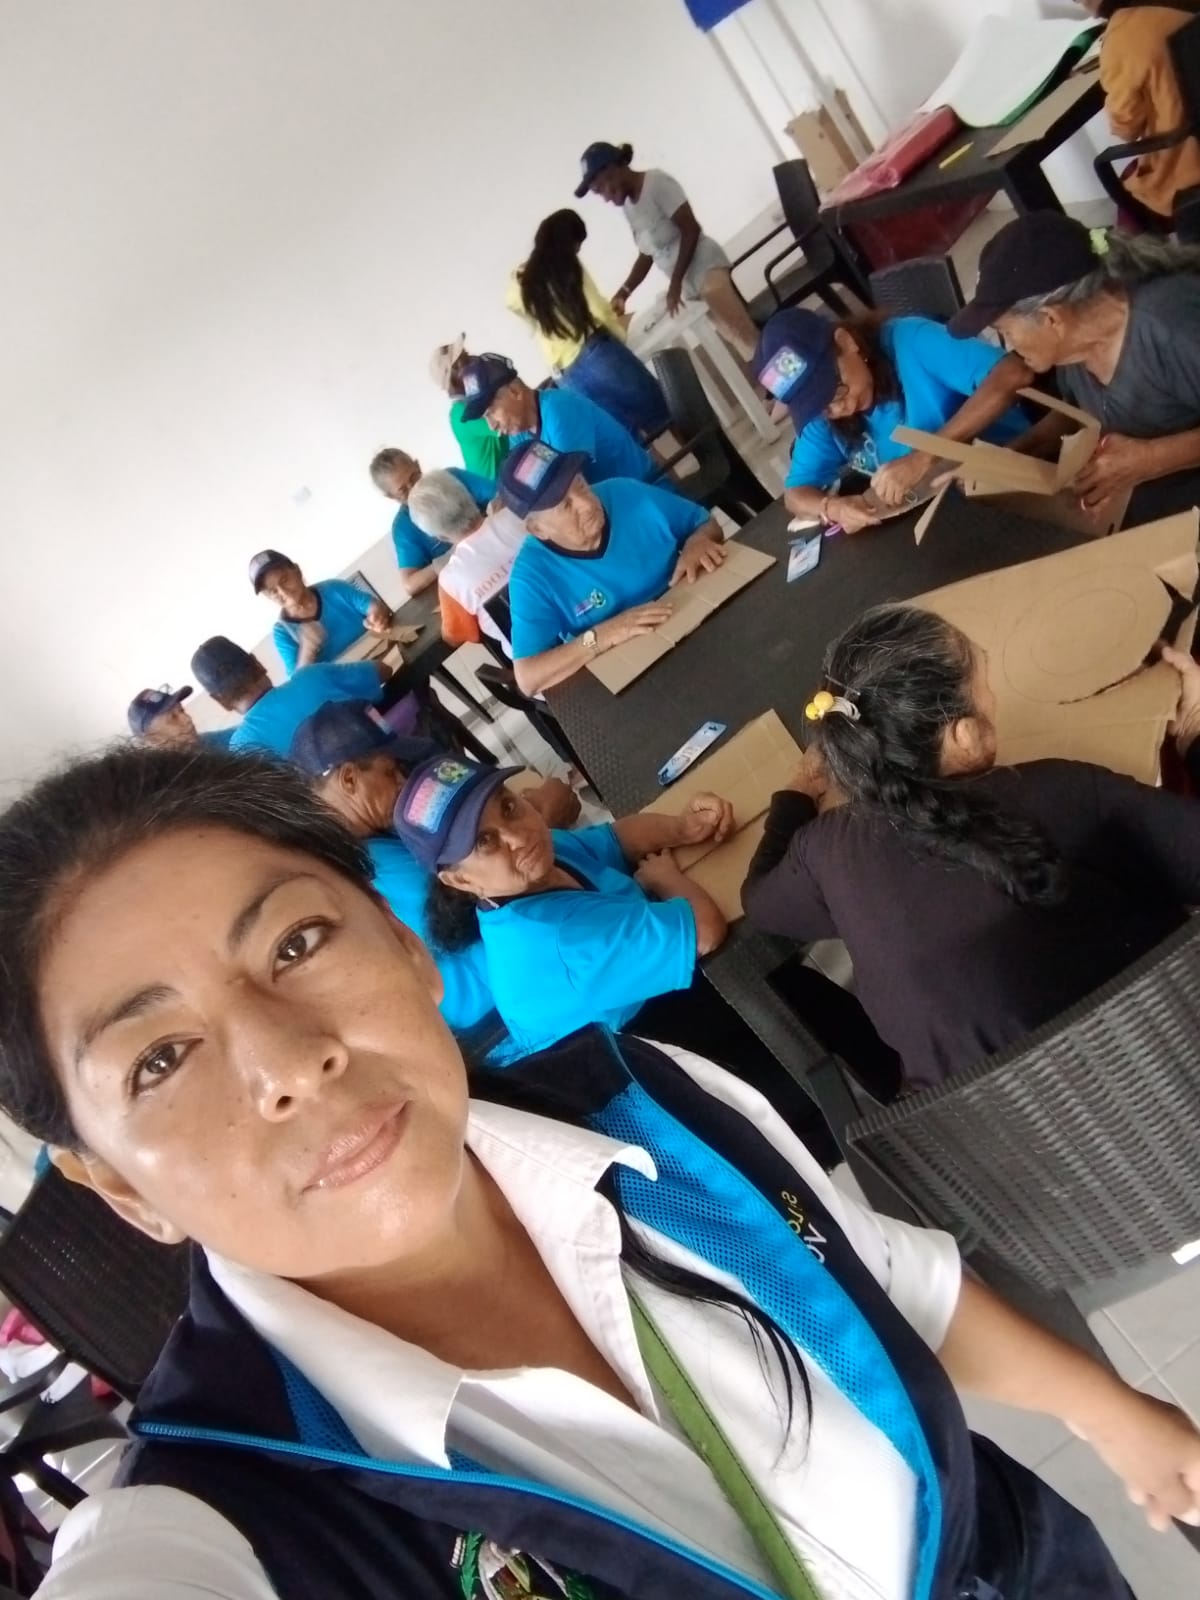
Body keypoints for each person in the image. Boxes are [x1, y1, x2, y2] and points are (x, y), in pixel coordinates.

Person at [7, 743, 1198, 1600]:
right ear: (121, 1186)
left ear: (408, 949)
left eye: (298, 941)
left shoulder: (650, 1104)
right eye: (159, 1057)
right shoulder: (234, 1518)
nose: (288, 1062)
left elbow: (870, 1278)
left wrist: (1110, 1413)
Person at [741, 603, 1200, 1091]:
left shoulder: (826, 853)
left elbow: (759, 900)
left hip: (1012, 1132)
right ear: (962, 735)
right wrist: (1193, 733)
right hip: (1167, 1066)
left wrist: (797, 789)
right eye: (984, 687)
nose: (994, 699)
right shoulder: (1064, 794)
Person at [397, 751, 732, 1059]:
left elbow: (618, 838)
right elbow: (706, 932)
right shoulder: (559, 941)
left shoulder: (536, 861)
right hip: (670, 1035)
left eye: (508, 808)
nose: (518, 837)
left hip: (652, 969)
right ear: (461, 881)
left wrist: (681, 828)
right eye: (485, 841)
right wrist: (665, 878)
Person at [291, 700, 578, 1050]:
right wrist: (542, 821)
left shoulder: (355, 844)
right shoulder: (371, 868)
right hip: (509, 1014)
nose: (402, 781)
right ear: (349, 779)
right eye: (389, 772)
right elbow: (488, 904)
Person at [950, 211, 1200, 522]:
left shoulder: (1174, 327)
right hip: (1152, 508)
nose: (1010, 345)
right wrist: (1016, 454)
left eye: (1006, 332)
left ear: (1051, 319)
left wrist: (1150, 458)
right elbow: (1081, 412)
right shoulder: (1074, 348)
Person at [756, 306, 1033, 534]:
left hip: (1012, 477)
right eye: (822, 406)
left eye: (837, 389)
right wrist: (832, 508)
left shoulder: (912, 341)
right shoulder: (823, 414)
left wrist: (923, 457)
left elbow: (1013, 374)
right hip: (941, 513)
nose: (839, 407)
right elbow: (795, 494)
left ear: (846, 341)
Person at [496, 440, 725, 697]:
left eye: (580, 485)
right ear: (538, 529)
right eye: (566, 505)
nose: (586, 504)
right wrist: (604, 635)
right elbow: (528, 678)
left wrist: (697, 542)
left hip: (694, 614)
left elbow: (704, 522)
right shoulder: (530, 577)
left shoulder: (625, 492)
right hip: (632, 675)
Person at [575, 140, 761, 362]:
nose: (605, 198)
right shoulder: (629, 207)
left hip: (706, 269)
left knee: (745, 334)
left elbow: (690, 229)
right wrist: (624, 293)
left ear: (614, 170)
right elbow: (647, 253)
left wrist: (675, 283)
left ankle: (785, 375)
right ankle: (772, 377)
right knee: (735, 338)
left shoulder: (656, 183)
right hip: (689, 283)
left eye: (602, 189)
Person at [507, 209, 670, 438]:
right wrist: (619, 334)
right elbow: (598, 309)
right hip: (595, 353)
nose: (577, 251)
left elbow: (515, 307)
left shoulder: (520, 279)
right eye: (577, 245)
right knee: (662, 411)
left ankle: (658, 464)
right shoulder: (565, 264)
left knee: (625, 437)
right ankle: (712, 454)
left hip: (566, 376)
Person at [1080, 0, 1200, 228]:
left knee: (1128, 193)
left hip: (1187, 166)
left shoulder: (1121, 40)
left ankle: (1158, 251)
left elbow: (1126, 128)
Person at [458, 352, 655, 484]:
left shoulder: (559, 409)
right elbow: (527, 482)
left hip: (642, 494)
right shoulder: (519, 434)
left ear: (515, 392)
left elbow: (568, 484)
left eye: (491, 412)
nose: (491, 426)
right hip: (610, 505)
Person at [190, 635, 388, 759]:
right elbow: (383, 671)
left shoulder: (243, 746)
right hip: (393, 769)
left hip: (344, 814)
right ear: (257, 663)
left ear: (220, 701)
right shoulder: (312, 676)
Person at [407, 469, 527, 651]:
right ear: (469, 497)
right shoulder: (520, 517)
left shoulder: (451, 580)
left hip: (535, 658)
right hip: (573, 627)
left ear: (439, 536)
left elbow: (455, 637)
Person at [369, 448, 495, 594]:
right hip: (469, 580)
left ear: (418, 466)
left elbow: (502, 496)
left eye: (414, 478)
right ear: (391, 496)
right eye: (403, 491)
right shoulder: (403, 528)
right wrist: (452, 555)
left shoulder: (452, 478)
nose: (414, 489)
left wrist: (485, 527)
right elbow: (409, 584)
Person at [248, 549, 391, 677]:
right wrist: (307, 650)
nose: (283, 592)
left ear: (297, 571)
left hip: (383, 659)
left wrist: (377, 617)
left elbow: (374, 606)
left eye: (284, 580)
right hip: (346, 689)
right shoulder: (283, 632)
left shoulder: (333, 588)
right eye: (273, 591)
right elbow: (299, 684)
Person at [429, 333, 511, 480]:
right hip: (496, 487)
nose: (473, 361)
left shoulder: (479, 395)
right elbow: (510, 418)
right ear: (452, 379)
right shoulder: (462, 413)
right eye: (464, 362)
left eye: (466, 355)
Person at [126, 685, 234, 750]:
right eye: (173, 717)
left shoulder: (209, 742)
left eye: (182, 710)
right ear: (152, 739)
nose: (187, 719)